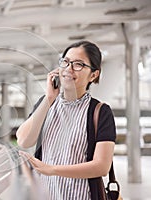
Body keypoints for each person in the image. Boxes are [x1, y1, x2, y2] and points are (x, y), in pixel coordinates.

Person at [16, 40, 116, 200]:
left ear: (93, 75)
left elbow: (101, 166)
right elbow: (23, 140)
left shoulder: (100, 112)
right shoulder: (47, 103)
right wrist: (49, 98)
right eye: (66, 62)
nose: (69, 69)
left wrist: (53, 169)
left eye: (78, 65)